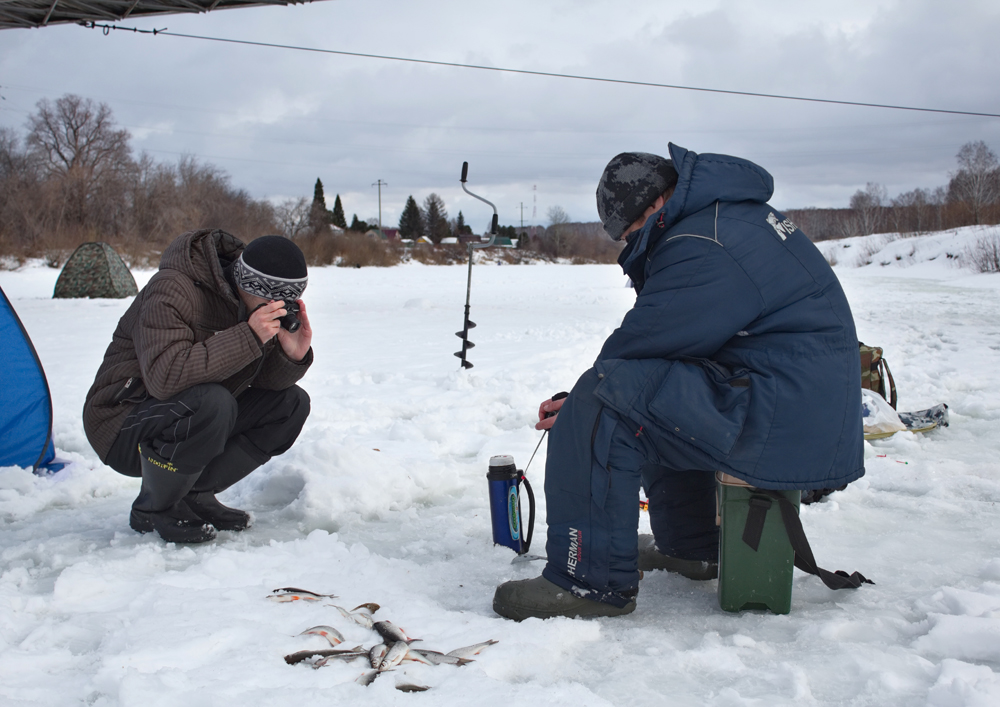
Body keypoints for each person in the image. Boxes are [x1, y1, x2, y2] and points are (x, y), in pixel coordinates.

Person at [493, 145, 864, 620]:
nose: (631, 245)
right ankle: (692, 548)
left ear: (653, 206)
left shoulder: (706, 240)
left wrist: (586, 397)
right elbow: (668, 349)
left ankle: (587, 580)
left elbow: (651, 336)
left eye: (629, 233)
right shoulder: (723, 220)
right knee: (649, 392)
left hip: (786, 416)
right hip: (792, 408)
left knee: (613, 400)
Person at [83, 231, 313, 543]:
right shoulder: (174, 287)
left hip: (190, 412)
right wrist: (249, 336)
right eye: (277, 298)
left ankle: (195, 495)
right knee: (212, 402)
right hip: (121, 419)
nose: (281, 308)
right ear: (251, 284)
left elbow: (257, 383)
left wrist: (290, 356)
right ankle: (153, 508)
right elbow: (165, 378)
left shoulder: (252, 306)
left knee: (290, 405)